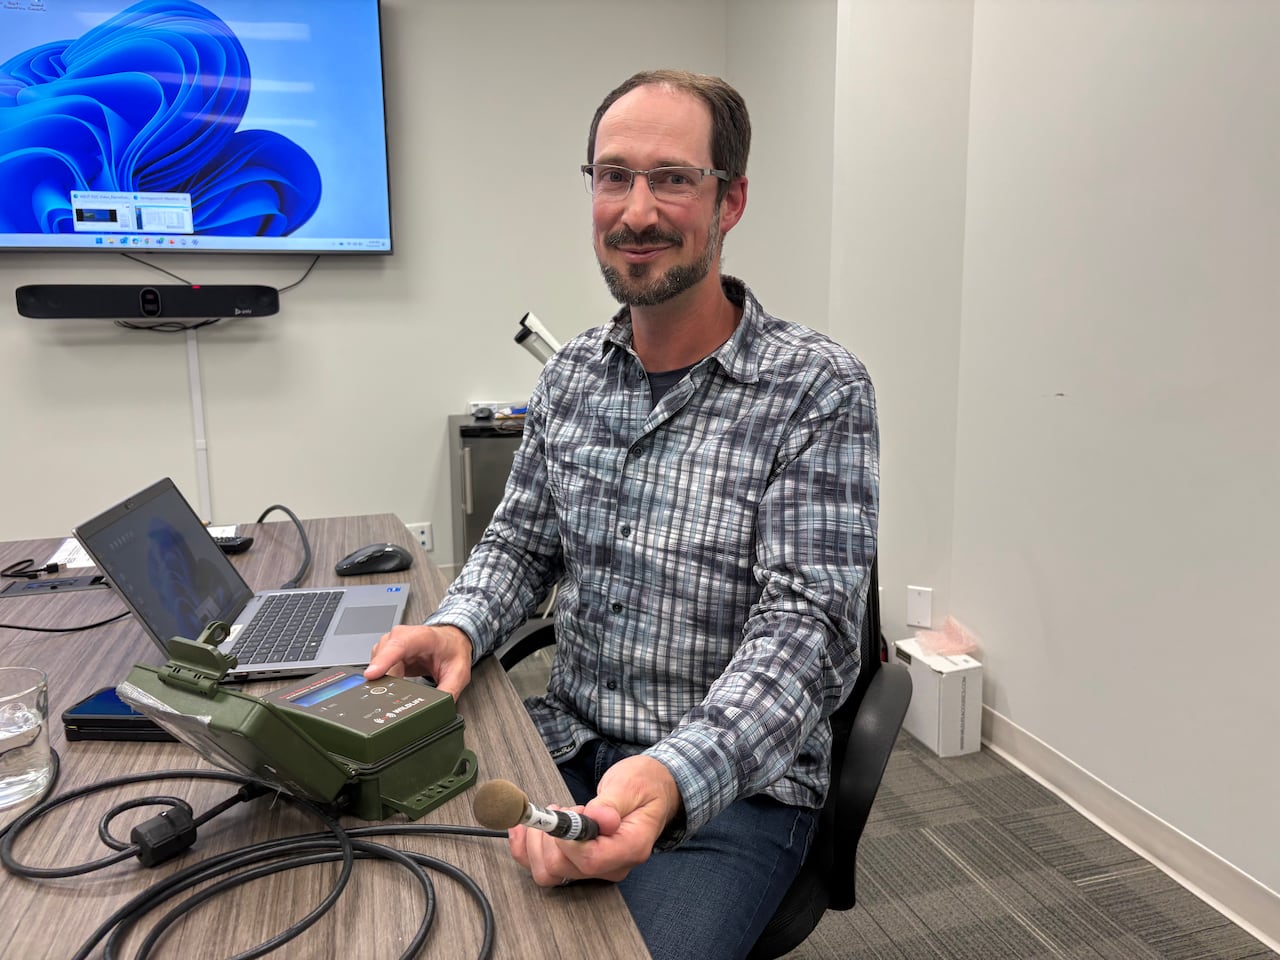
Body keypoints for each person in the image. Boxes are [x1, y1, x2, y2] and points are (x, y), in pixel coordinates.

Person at [365, 69, 879, 960]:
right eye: (613, 176)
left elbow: (808, 636)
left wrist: (674, 774)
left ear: (732, 199)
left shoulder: (817, 389)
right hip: (564, 744)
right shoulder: (571, 379)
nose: (636, 210)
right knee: (410, 914)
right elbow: (521, 543)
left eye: (672, 178)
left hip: (732, 791)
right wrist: (458, 624)